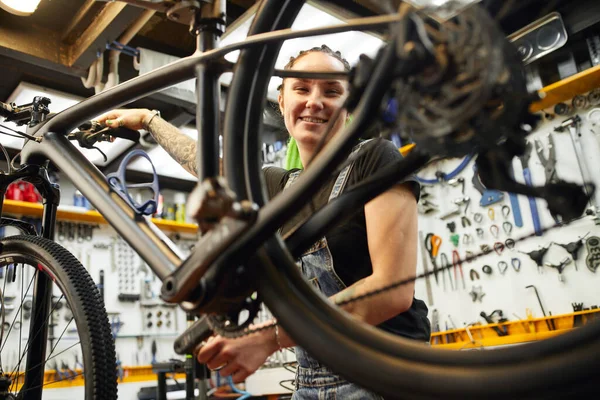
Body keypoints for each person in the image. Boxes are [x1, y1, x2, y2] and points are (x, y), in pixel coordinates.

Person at [97, 44, 430, 399]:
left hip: (387, 376)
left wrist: (269, 338)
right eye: (301, 88)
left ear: (348, 107)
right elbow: (207, 166)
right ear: (282, 102)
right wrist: (150, 120)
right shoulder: (277, 186)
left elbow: (392, 292)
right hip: (312, 383)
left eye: (332, 91)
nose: (315, 101)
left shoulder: (375, 158)